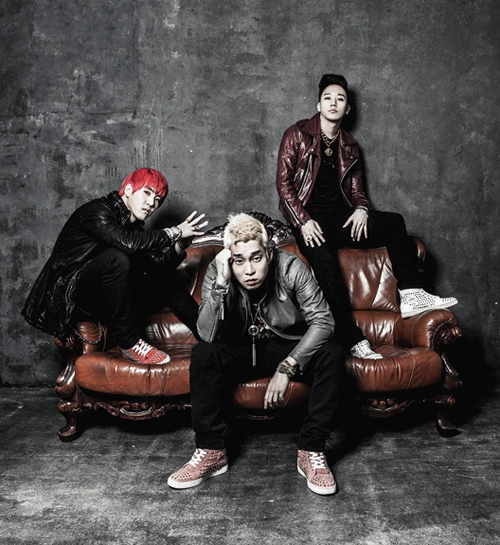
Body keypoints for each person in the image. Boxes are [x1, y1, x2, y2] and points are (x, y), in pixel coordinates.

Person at [276, 73, 458, 360]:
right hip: (309, 221)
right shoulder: (297, 133)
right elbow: (284, 185)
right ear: (318, 105)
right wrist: (303, 221)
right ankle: (353, 340)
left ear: (347, 108)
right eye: (327, 98)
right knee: (328, 271)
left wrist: (361, 209)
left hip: (340, 218)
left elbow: (357, 192)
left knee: (394, 222)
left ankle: (411, 292)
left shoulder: (349, 146)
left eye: (340, 99)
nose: (333, 103)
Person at [168, 213, 344, 496]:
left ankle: (311, 450)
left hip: (284, 345)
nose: (249, 270)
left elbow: (323, 322)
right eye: (239, 260)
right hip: (239, 348)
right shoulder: (218, 270)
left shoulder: (290, 266)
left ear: (269, 253)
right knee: (204, 353)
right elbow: (207, 334)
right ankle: (211, 451)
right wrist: (221, 283)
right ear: (229, 258)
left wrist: (287, 368)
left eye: (256, 258)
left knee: (331, 354)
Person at [22, 168, 208, 365]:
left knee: (165, 281)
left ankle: (211, 336)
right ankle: (129, 342)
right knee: (116, 258)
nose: (151, 203)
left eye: (157, 199)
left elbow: (158, 266)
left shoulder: (135, 230)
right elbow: (128, 243)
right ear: (128, 190)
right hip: (72, 297)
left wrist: (180, 245)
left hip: (107, 298)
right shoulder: (98, 212)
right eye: (146, 192)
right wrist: (174, 232)